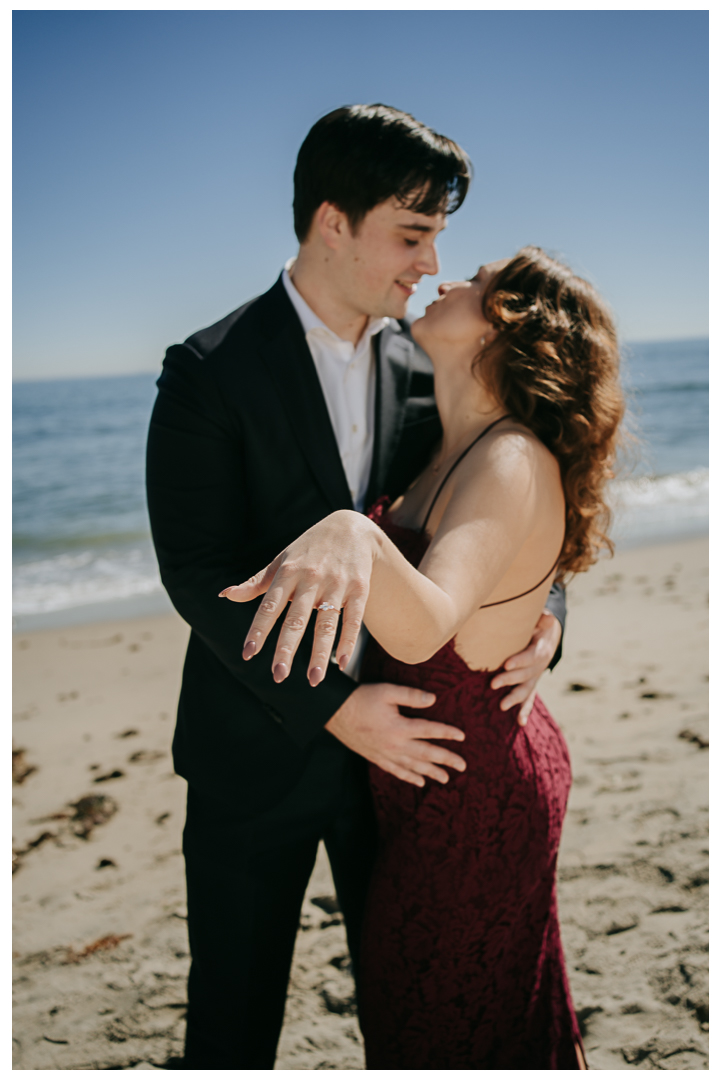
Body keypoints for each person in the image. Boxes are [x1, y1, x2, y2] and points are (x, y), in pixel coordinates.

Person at [146, 104, 565, 1069]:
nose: (428, 263)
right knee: (233, 1021)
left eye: (437, 240)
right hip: (254, 754)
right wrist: (334, 707)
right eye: (411, 234)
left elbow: (501, 509)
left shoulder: (422, 368)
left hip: (401, 769)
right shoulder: (208, 372)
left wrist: (547, 614)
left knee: (405, 1008)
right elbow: (197, 571)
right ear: (333, 222)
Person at [222, 247, 625, 1069]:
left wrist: (353, 530)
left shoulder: (509, 457)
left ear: (509, 331)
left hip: (475, 790)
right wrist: (539, 612)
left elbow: (424, 628)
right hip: (433, 782)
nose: (446, 280)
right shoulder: (445, 438)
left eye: (475, 284)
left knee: (437, 1023)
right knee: (458, 1017)